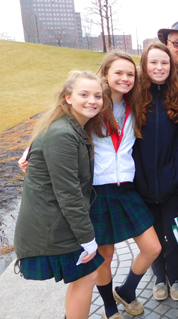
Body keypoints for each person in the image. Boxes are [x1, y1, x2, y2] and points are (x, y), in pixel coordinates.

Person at [14, 71, 105, 319]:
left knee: (87, 276)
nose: (92, 100)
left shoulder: (70, 127)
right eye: (83, 94)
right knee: (87, 276)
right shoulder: (63, 133)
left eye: (97, 95)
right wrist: (87, 238)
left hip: (59, 219)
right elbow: (69, 193)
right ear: (67, 97)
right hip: (53, 223)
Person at [92, 51, 161, 319]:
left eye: (130, 74)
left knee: (152, 247)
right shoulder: (93, 104)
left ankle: (127, 290)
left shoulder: (136, 104)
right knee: (105, 256)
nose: (124, 78)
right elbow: (62, 127)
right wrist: (33, 149)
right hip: (98, 190)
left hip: (127, 189)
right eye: (118, 73)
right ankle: (110, 307)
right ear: (106, 74)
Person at [133, 42, 178, 302]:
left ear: (171, 66)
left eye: (164, 62)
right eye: (153, 62)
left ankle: (175, 276)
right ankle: (158, 277)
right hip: (141, 182)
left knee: (172, 233)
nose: (159, 67)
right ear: (144, 65)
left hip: (171, 181)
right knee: (151, 236)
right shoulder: (134, 97)